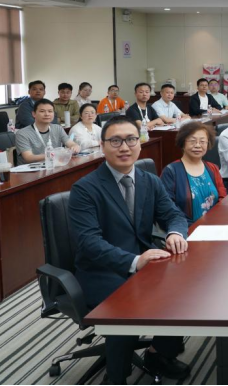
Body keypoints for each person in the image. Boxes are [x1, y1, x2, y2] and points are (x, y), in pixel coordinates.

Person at [68, 115, 190, 384]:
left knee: (183, 287)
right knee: (128, 306)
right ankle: (116, 376)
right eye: (115, 141)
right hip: (102, 269)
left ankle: (159, 354)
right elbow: (89, 243)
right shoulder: (85, 189)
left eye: (131, 139)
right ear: (102, 146)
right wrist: (135, 261)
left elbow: (173, 215)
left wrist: (174, 232)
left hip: (144, 261)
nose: (124, 147)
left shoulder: (149, 180)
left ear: (140, 143)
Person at [160, 121, 227, 226]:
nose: (198, 145)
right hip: (185, 229)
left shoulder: (212, 168)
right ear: (183, 143)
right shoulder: (171, 171)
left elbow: (222, 198)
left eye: (202, 141)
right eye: (192, 141)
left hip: (214, 226)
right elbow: (168, 208)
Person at [14, 99, 80, 165]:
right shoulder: (22, 133)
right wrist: (54, 154)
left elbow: (71, 144)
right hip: (31, 168)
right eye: (42, 111)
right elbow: (28, 157)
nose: (47, 114)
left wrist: (75, 146)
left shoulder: (57, 128)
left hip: (54, 165)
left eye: (50, 111)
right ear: (34, 114)